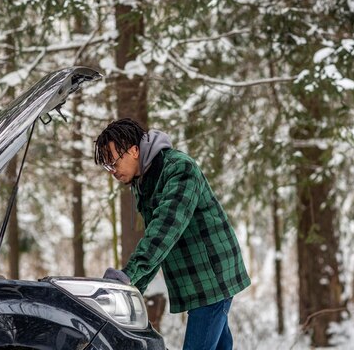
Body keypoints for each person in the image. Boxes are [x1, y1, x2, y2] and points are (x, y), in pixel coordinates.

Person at [94, 118, 250, 350]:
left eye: (114, 161)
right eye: (108, 166)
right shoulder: (144, 183)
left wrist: (129, 276)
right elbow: (158, 246)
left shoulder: (179, 169)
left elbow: (165, 230)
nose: (113, 171)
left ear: (134, 150)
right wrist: (131, 288)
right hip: (196, 281)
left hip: (212, 278)